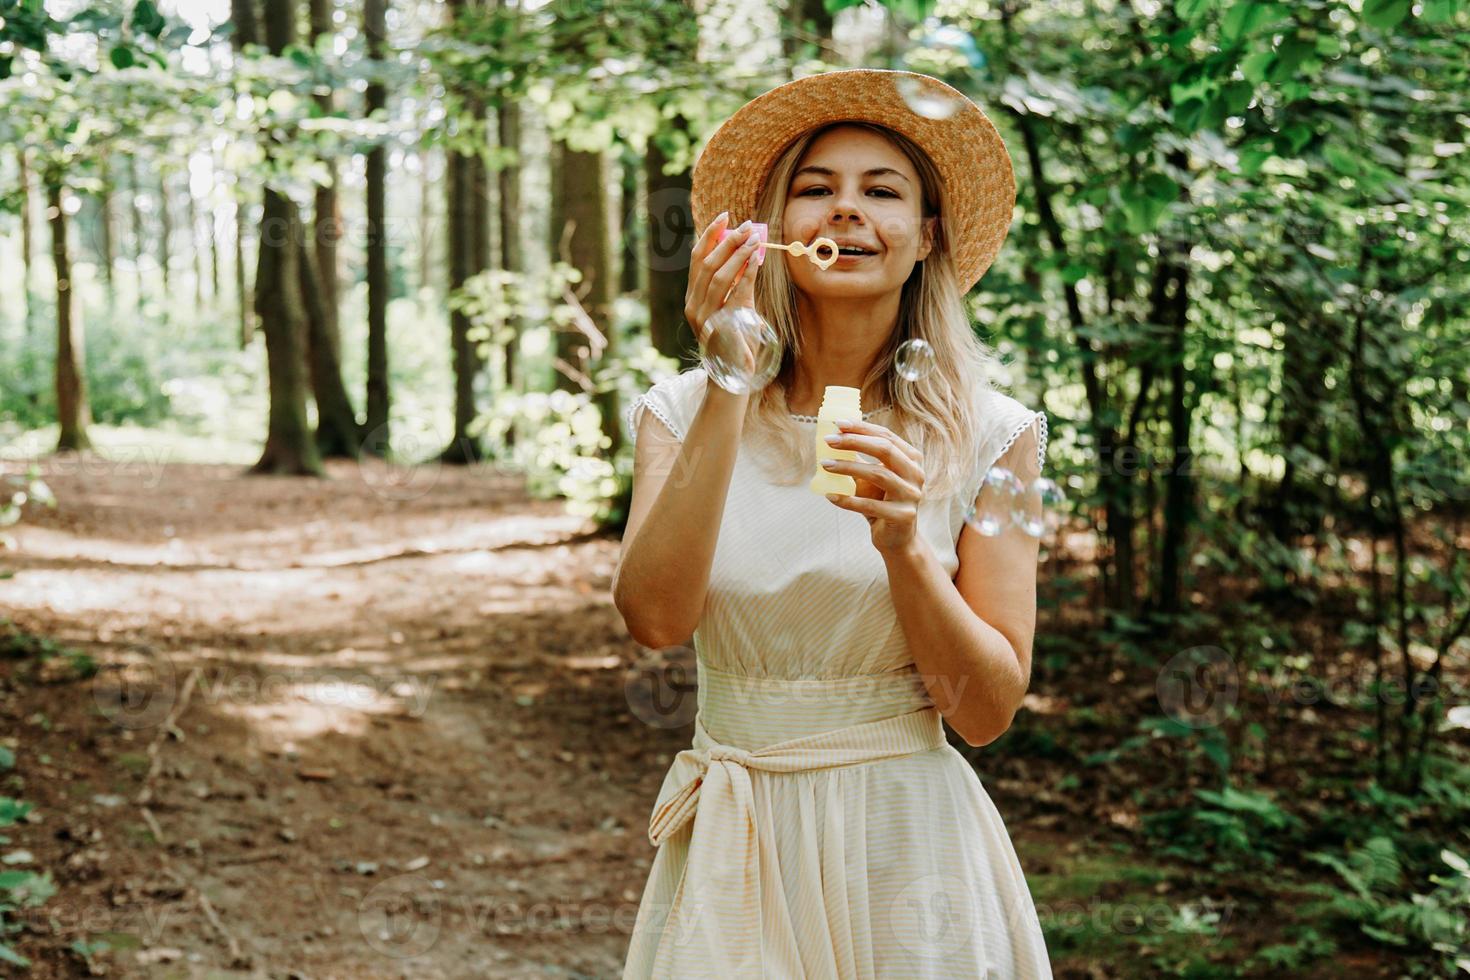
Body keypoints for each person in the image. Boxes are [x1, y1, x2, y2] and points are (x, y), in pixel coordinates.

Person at [614, 68, 1054, 978]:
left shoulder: (992, 433)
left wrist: (903, 548)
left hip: (907, 840)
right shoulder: (681, 408)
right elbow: (655, 619)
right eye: (815, 190)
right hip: (739, 839)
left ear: (927, 236)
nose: (845, 211)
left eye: (880, 191)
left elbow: (984, 710)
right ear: (775, 236)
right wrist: (731, 377)